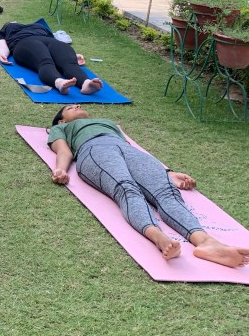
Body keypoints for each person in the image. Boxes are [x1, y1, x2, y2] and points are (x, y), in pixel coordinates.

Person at [48, 104, 249, 267]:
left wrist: (168, 172)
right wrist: (61, 170)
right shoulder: (61, 128)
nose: (77, 105)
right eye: (70, 108)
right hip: (93, 150)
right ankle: (159, 238)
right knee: (127, 188)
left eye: (78, 105)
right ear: (62, 120)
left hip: (127, 150)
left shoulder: (108, 123)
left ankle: (206, 242)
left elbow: (133, 149)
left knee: (167, 191)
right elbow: (64, 151)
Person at [0, 20, 102, 94]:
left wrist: (73, 56)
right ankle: (59, 83)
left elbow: (55, 48)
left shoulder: (38, 26)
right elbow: (0, 42)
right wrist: (2, 53)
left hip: (49, 40)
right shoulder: (8, 28)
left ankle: (86, 83)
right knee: (44, 60)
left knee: (69, 62)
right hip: (24, 42)